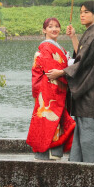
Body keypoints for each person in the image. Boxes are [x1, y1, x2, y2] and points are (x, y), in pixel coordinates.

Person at [48, 1, 94, 163]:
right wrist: (73, 37)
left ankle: (89, 167)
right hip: (90, 90)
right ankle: (80, 162)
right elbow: (81, 55)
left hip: (92, 91)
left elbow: (85, 64)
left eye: (85, 12)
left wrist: (61, 72)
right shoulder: (91, 33)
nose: (82, 15)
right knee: (83, 129)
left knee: (88, 130)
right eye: (80, 12)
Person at [26, 17, 76, 160]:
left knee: (54, 120)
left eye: (57, 26)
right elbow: (51, 69)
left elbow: (62, 66)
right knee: (47, 120)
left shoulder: (57, 47)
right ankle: (46, 152)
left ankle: (53, 152)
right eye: (50, 27)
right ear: (44, 30)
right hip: (49, 89)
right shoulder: (46, 47)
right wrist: (68, 69)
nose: (54, 29)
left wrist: (67, 66)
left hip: (55, 88)